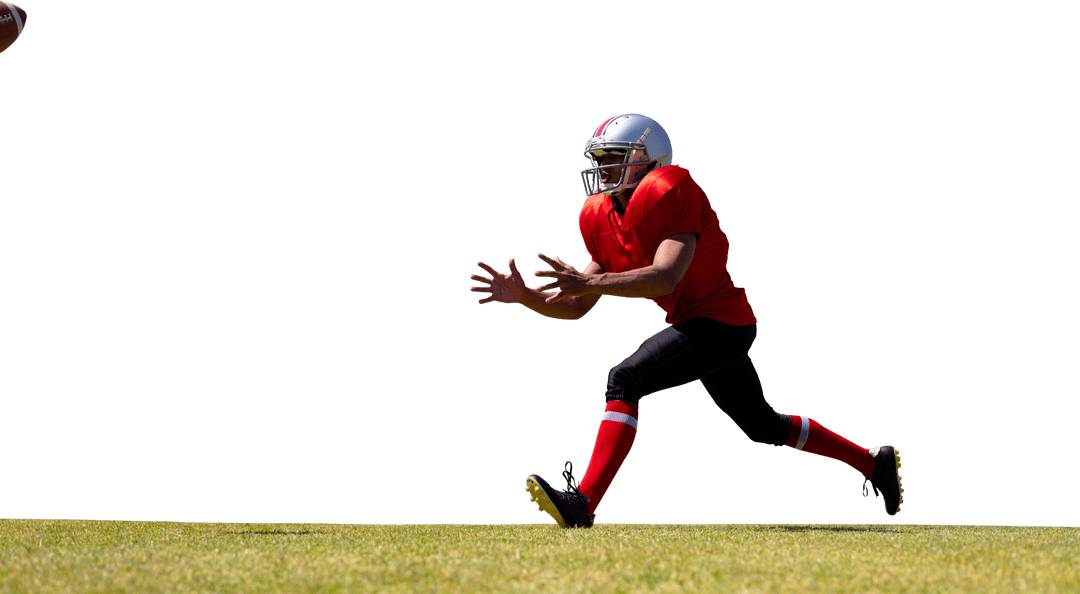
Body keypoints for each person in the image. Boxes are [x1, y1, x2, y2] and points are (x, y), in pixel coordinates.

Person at [469, 113, 904, 528]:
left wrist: (590, 285)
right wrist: (526, 297)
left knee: (625, 378)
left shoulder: (670, 188)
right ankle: (873, 460)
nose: (602, 167)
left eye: (613, 155)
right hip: (700, 323)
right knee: (763, 426)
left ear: (648, 158)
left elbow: (664, 276)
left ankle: (583, 501)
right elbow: (579, 305)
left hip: (720, 322)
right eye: (598, 158)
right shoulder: (599, 216)